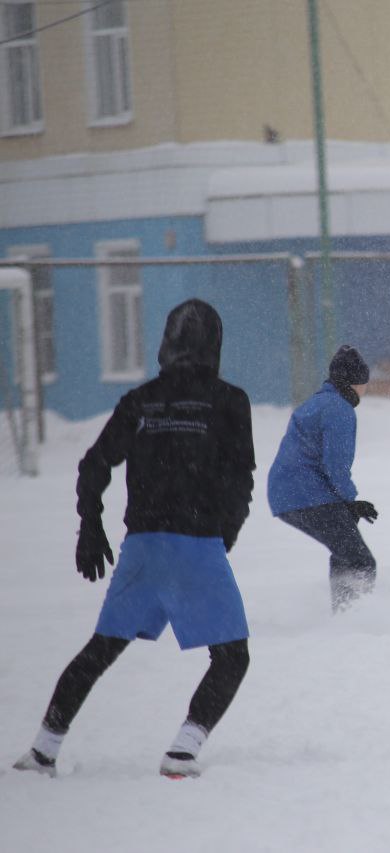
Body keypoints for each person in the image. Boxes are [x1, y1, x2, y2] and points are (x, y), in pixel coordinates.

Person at [13, 299, 254, 779]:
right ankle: (183, 751)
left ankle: (42, 751)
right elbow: (239, 482)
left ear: (167, 345)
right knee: (232, 656)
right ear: (216, 346)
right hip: (195, 543)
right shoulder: (229, 402)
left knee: (101, 649)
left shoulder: (140, 402)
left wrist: (91, 523)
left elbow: (94, 464)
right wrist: (220, 538)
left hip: (142, 547)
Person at [268, 345, 379, 612]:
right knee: (360, 561)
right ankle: (354, 618)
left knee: (345, 553)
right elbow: (335, 465)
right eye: (364, 381)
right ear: (356, 382)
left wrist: (345, 504)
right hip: (306, 494)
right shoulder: (339, 409)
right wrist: (350, 500)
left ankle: (344, 613)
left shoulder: (318, 403)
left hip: (288, 493)